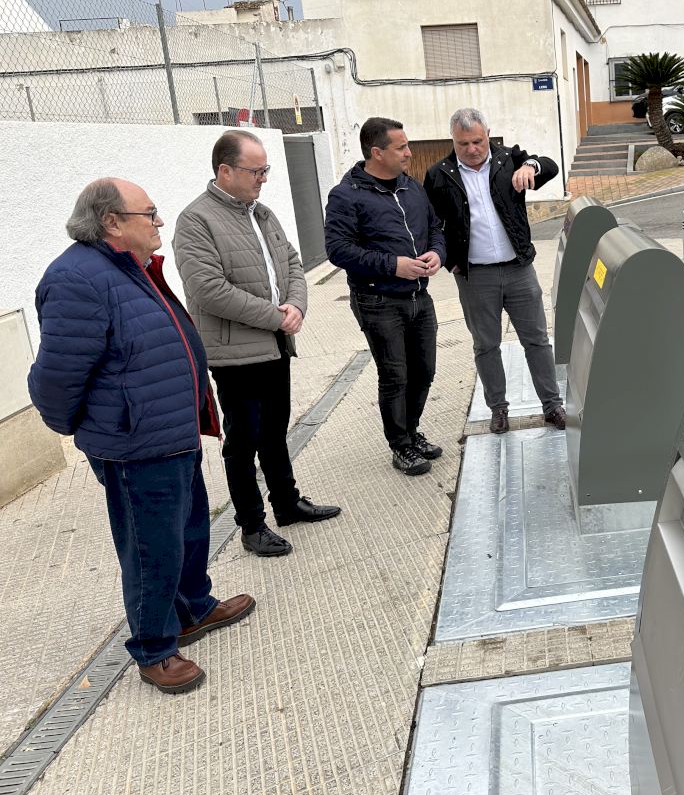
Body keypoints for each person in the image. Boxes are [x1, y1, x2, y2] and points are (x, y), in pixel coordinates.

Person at [28, 178, 255, 695]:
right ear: (111, 222)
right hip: (135, 443)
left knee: (189, 527)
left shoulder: (129, 267)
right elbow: (57, 377)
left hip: (170, 431)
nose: (158, 221)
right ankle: (154, 647)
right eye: (149, 213)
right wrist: (84, 426)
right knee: (152, 548)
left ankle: (194, 608)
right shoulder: (77, 278)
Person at [174, 131, 341, 558]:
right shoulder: (196, 221)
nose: (263, 178)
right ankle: (251, 524)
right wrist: (276, 317)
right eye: (256, 171)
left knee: (275, 432)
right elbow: (209, 290)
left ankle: (286, 502)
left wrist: (296, 306)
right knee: (243, 441)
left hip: (275, 346)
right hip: (236, 355)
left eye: (265, 170)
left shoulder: (262, 214)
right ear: (225, 171)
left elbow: (293, 263)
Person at [423, 108, 565, 435]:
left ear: (488, 134)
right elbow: (431, 224)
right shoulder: (438, 175)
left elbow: (549, 166)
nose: (472, 149)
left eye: (477, 141)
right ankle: (498, 409)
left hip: (519, 270)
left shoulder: (508, 160)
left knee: (537, 341)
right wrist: (446, 258)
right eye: (463, 144)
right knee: (486, 346)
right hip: (475, 277)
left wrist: (531, 165)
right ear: (452, 140)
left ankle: (552, 405)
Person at [324, 117, 446, 476]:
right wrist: (393, 265)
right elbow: (338, 249)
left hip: (419, 297)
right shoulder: (346, 195)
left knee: (424, 371)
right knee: (395, 375)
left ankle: (412, 431)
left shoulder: (411, 187)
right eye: (401, 147)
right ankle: (401, 445)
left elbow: (435, 228)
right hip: (378, 301)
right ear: (377, 152)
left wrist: (438, 253)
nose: (409, 153)